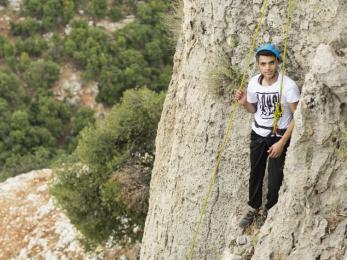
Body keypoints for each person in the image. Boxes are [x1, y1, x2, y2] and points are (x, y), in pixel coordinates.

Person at [234, 43, 300, 229]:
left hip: (278, 136)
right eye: (263, 64)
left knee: (274, 179)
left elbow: (298, 117)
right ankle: (254, 208)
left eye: (271, 63)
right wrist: (243, 102)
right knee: (255, 173)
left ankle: (270, 211)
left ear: (277, 62)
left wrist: (282, 143)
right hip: (258, 133)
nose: (267, 68)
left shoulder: (288, 86)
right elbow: (253, 109)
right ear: (258, 64)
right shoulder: (254, 83)